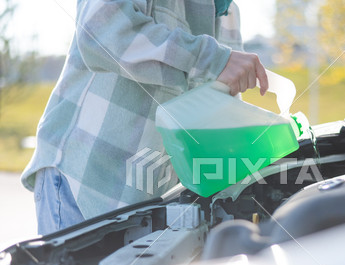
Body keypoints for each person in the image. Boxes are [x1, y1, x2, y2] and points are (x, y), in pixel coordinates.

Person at [21, 0, 268, 235]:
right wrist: (211, 59)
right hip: (85, 183)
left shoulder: (228, 12)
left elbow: (214, 100)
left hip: (150, 200)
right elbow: (101, 30)